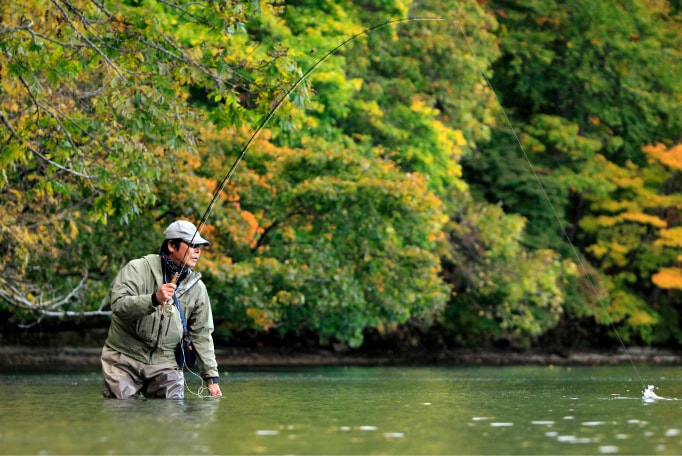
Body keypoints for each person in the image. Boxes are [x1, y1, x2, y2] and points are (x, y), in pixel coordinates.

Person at [101, 220, 222, 399]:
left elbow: (202, 334)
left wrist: (211, 379)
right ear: (172, 245)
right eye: (193, 245)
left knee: (170, 419)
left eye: (200, 247)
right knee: (122, 416)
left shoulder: (198, 288)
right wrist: (153, 299)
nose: (198, 251)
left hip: (166, 362)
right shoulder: (137, 269)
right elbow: (119, 306)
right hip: (124, 357)